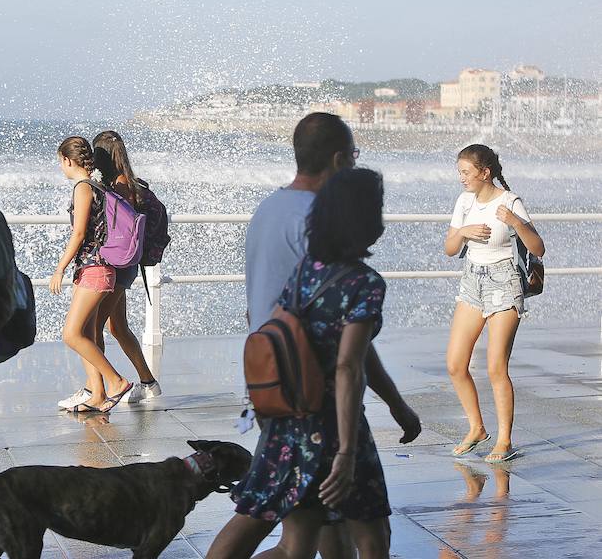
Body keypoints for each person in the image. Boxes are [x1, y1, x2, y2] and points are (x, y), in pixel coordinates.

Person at [208, 113, 420, 559]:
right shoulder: (319, 224)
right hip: (314, 393)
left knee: (309, 534)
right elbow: (346, 352)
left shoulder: (269, 208)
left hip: (273, 380)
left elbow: (263, 309)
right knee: (301, 537)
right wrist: (391, 405)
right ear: (340, 159)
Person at [444, 144, 544, 463]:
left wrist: (516, 222)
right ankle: (476, 428)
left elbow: (538, 248)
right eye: (459, 172)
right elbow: (449, 248)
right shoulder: (464, 201)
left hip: (504, 282)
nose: (461, 178)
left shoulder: (509, 201)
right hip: (472, 280)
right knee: (455, 364)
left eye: (466, 173)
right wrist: (463, 232)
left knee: (495, 367)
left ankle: (504, 440)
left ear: (484, 173)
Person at [57, 131, 161, 410]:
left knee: (89, 330)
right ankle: (145, 382)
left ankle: (100, 387)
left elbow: (97, 230)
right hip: (119, 265)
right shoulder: (113, 183)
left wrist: (61, 267)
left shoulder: (117, 185)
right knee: (114, 327)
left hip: (114, 264)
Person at [49, 136, 133, 412]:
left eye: (60, 162)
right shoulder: (97, 186)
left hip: (94, 268)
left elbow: (80, 233)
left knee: (71, 334)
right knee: (87, 332)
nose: (60, 167)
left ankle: (115, 381)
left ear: (67, 160)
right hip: (96, 268)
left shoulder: (83, 187)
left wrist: (60, 267)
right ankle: (97, 394)